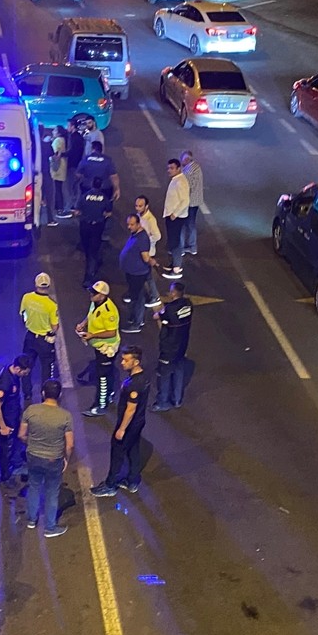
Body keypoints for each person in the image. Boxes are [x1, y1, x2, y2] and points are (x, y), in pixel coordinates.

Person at [90, 345, 150, 497]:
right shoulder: (143, 378)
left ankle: (110, 485)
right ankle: (132, 481)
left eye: (126, 360)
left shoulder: (134, 384)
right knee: (133, 450)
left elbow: (130, 409)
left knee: (117, 453)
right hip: (138, 423)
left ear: (135, 362)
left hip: (129, 424)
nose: (122, 362)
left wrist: (121, 429)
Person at [18, 379, 73, 538]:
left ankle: (31, 520)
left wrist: (32, 443)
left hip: (33, 456)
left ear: (43, 393)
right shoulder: (65, 416)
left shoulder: (31, 410)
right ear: (60, 395)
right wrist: (66, 459)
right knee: (51, 492)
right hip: (53, 459)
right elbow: (69, 445)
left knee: (34, 487)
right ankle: (50, 527)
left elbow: (21, 435)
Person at [77, 281, 119, 417]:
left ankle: (101, 405)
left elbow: (112, 332)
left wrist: (92, 335)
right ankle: (110, 393)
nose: (91, 294)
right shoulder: (95, 303)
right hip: (99, 345)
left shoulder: (109, 311)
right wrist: (83, 324)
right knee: (109, 372)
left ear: (102, 295)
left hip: (107, 348)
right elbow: (90, 315)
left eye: (94, 293)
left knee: (102, 378)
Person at [151, 281, 193, 412]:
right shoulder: (188, 304)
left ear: (174, 292)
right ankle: (177, 399)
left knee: (164, 374)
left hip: (169, 346)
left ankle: (162, 402)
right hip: (182, 344)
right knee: (179, 370)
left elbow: (156, 316)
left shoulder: (170, 308)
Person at [19, 272, 59, 404]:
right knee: (47, 369)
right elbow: (54, 326)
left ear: (36, 284)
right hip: (45, 341)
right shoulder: (51, 305)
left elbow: (23, 315)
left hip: (30, 336)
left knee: (26, 365)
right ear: (48, 286)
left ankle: (27, 394)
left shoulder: (26, 298)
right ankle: (46, 397)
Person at [0, 355, 31, 483]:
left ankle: (17, 463)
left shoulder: (12, 371)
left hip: (12, 415)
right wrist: (3, 427)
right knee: (5, 447)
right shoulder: (5, 383)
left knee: (15, 441)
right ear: (19, 369)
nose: (25, 375)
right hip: (6, 420)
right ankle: (5, 474)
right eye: (25, 372)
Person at [76, 178, 113, 288]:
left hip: (85, 226)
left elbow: (77, 210)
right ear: (100, 185)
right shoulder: (104, 198)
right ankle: (89, 277)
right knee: (93, 251)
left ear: (92, 184)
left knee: (87, 249)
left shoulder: (84, 196)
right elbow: (108, 212)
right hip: (97, 226)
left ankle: (91, 264)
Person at [119, 213, 152, 334]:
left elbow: (145, 257)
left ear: (138, 224)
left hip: (137, 273)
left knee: (138, 298)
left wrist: (151, 261)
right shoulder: (135, 234)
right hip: (132, 272)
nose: (129, 227)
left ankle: (137, 323)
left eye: (132, 224)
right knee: (135, 296)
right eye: (128, 224)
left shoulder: (142, 238)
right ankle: (134, 317)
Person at [162, 158, 190, 279]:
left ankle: (176, 269)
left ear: (178, 168)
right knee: (173, 241)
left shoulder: (181, 182)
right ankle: (173, 263)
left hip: (176, 218)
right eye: (168, 168)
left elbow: (185, 201)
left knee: (176, 243)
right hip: (172, 216)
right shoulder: (176, 180)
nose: (169, 170)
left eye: (172, 168)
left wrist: (174, 214)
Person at [134, 195, 162, 307]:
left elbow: (157, 235)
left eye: (140, 206)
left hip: (147, 252)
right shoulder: (138, 216)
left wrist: (146, 241)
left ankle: (155, 296)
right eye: (136, 205)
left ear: (146, 206)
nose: (137, 208)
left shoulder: (151, 220)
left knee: (148, 276)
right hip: (139, 251)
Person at [180, 150, 204, 256]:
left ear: (186, 159)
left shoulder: (189, 170)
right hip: (195, 201)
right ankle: (192, 247)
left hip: (190, 202)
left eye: (183, 160)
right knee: (191, 224)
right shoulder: (195, 167)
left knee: (186, 224)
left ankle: (184, 248)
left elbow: (187, 186)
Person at [48, 126, 70, 219]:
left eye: (54, 130)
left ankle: (59, 208)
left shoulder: (57, 141)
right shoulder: (63, 140)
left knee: (57, 189)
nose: (53, 131)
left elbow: (56, 154)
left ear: (58, 132)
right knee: (58, 188)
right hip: (62, 168)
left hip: (57, 169)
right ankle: (59, 208)